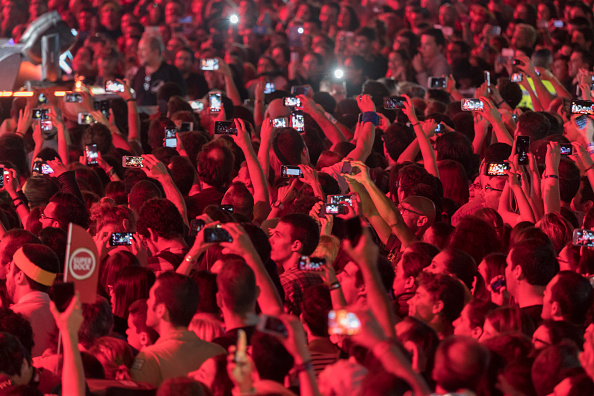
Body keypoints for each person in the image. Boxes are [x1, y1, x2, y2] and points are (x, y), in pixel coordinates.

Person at [130, 272, 225, 387]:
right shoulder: (218, 353)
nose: (147, 302)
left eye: (150, 298)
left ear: (161, 310)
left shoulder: (149, 358)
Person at [6, 244, 60, 357]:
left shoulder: (10, 320)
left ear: (19, 276)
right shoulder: (66, 317)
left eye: (10, 268)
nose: (7, 274)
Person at [269, 213, 322, 316]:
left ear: (296, 245)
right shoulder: (320, 272)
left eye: (278, 235)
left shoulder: (285, 283)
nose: (270, 240)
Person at [132, 35, 187, 106]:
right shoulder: (140, 72)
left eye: (143, 50)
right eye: (139, 50)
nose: (139, 53)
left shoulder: (171, 71)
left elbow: (182, 98)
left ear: (156, 52)